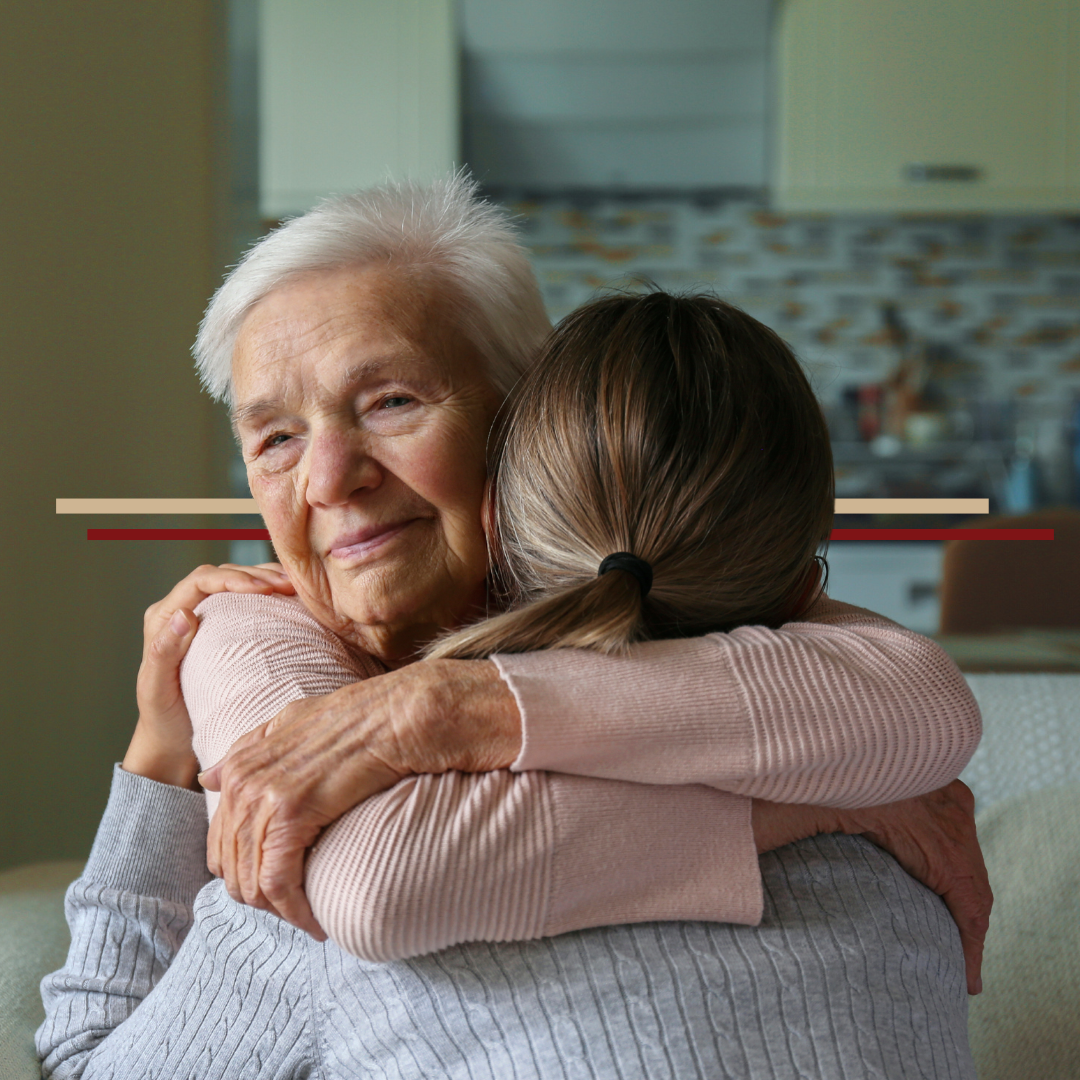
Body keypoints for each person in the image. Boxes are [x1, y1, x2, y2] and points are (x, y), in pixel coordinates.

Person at [38, 177, 988, 1079]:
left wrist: (161, 763)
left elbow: (85, 1061)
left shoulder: (317, 858)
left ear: (523, 427)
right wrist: (831, 806)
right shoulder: (846, 755)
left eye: (392, 402)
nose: (329, 477)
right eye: (276, 437)